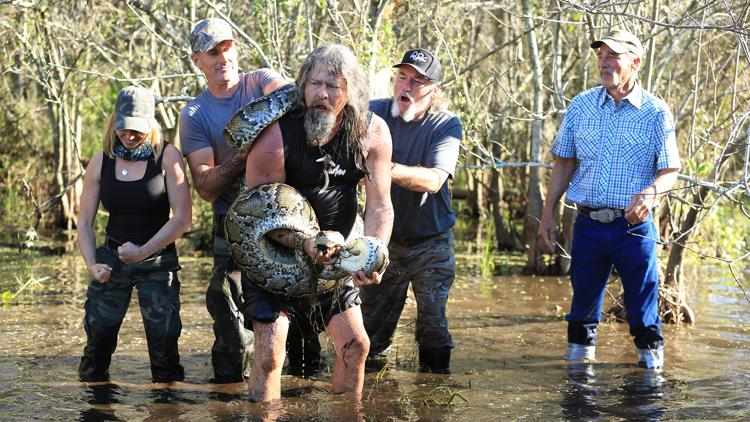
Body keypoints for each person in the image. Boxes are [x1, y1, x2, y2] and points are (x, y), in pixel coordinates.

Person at [242, 43, 394, 401]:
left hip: (335, 260)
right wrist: (303, 242)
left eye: (333, 86)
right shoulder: (275, 136)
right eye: (314, 84)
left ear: (351, 92)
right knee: (269, 357)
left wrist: (373, 253)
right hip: (274, 255)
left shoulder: (371, 133)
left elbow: (380, 207)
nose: (321, 94)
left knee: (356, 347)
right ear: (301, 86)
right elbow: (257, 214)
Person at [536, 30, 681, 371]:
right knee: (582, 309)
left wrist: (651, 192)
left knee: (643, 311)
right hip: (586, 225)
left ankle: (650, 383)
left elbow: (670, 170)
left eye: (613, 56)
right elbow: (564, 162)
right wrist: (547, 214)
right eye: (601, 55)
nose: (604, 61)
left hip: (633, 230)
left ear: (635, 62)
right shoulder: (582, 105)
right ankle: (578, 384)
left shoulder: (656, 112)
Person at [179, 18, 293, 383]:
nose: (222, 57)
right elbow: (206, 186)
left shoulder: (260, 81)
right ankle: (225, 394)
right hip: (231, 218)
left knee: (290, 307)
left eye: (227, 47)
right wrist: (246, 153)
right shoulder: (194, 114)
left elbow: (293, 99)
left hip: (283, 210)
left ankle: (297, 387)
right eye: (212, 52)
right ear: (198, 60)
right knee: (226, 313)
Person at [77, 85, 192, 383]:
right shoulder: (101, 160)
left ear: (150, 124)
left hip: (157, 261)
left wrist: (143, 252)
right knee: (97, 343)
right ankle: (95, 408)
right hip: (112, 259)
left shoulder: (167, 157)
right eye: (123, 129)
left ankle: (167, 408)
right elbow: (85, 221)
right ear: (115, 123)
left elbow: (182, 218)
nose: (128, 136)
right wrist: (92, 264)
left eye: (136, 131)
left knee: (164, 345)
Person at [359, 48, 463, 374]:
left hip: (430, 242)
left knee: (433, 325)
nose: (407, 87)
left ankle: (435, 394)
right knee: (371, 335)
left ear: (435, 90)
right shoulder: (372, 114)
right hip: (382, 239)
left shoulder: (445, 124)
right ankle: (371, 400)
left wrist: (383, 168)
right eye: (402, 77)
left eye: (418, 81)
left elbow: (433, 180)